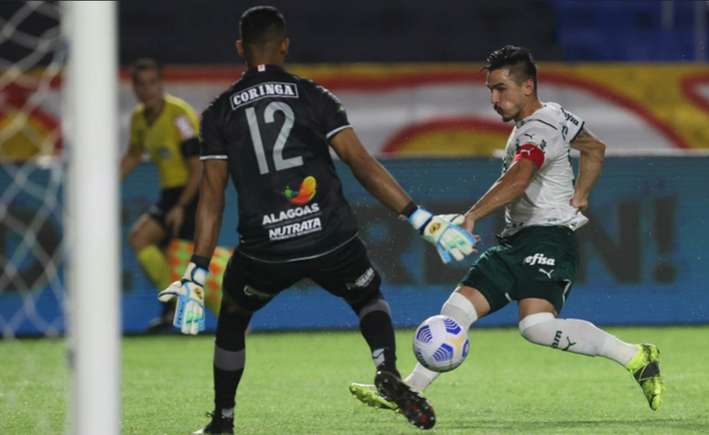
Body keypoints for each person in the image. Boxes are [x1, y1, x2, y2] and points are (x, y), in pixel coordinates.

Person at [158, 6, 476, 434]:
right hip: (331, 238)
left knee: (233, 319)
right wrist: (421, 219)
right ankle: (386, 369)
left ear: (240, 49)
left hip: (265, 251)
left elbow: (211, 199)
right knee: (368, 298)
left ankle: (223, 422)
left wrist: (196, 270)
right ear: (285, 45)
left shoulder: (217, 114)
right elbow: (360, 163)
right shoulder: (314, 97)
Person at [350, 45, 664, 416]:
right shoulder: (554, 114)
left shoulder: (537, 130)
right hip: (519, 239)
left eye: (501, 89)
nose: (494, 99)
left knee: (536, 326)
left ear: (527, 86)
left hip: (548, 236)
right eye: (490, 91)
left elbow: (519, 178)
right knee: (458, 309)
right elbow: (595, 148)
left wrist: (472, 215)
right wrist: (581, 194)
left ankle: (635, 356)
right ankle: (403, 392)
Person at [120, 58, 206, 332]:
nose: (147, 89)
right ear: (134, 88)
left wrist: (182, 205)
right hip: (171, 192)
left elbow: (198, 167)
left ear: (161, 84)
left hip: (194, 191)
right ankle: (174, 310)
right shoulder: (138, 119)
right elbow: (134, 155)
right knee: (142, 241)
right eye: (141, 84)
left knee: (182, 258)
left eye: (152, 83)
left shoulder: (179, 116)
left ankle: (196, 316)